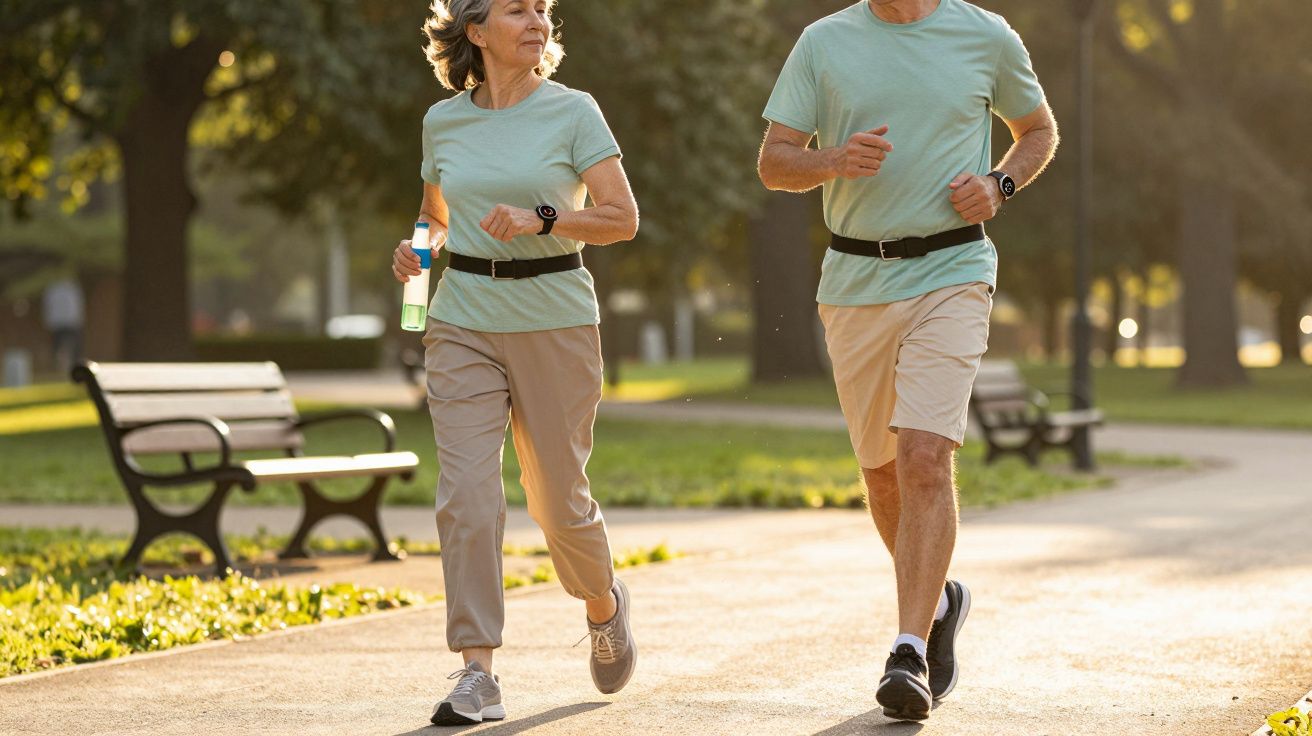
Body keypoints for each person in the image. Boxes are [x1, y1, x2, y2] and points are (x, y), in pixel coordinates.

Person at [757, 0, 1058, 722]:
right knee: (883, 472)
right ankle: (942, 598)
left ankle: (907, 652)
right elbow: (774, 163)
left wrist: (1000, 184)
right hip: (856, 281)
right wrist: (832, 160)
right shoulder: (824, 43)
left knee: (924, 455)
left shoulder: (983, 33)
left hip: (953, 269)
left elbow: (1038, 130)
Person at [391, 0, 640, 726]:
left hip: (555, 317)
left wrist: (546, 217)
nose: (537, 20)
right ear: (476, 31)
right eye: (517, 9)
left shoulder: (574, 111)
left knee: (557, 502)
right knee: (467, 495)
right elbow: (435, 220)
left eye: (542, 10)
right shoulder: (444, 122)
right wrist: (416, 256)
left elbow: (622, 218)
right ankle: (477, 672)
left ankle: (602, 604)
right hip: (461, 317)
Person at [41, 277, 84, 376]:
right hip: (64, 323)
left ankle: (69, 368)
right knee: (61, 347)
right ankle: (62, 368)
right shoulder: (67, 288)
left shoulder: (70, 288)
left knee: (69, 348)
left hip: (66, 323)